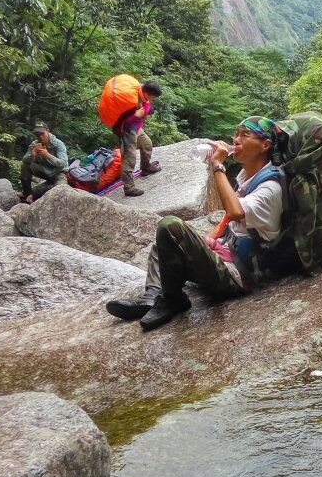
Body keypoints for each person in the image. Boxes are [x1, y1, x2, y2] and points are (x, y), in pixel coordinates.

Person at [105, 116, 284, 330]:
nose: (236, 140)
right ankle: (151, 298)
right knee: (164, 243)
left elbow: (235, 211)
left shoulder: (271, 187)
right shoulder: (248, 175)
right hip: (226, 253)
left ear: (265, 145)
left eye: (245, 135)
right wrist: (208, 240)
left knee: (170, 225)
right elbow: (228, 220)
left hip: (238, 274)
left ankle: (173, 300)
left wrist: (217, 165)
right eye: (236, 134)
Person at [114, 80, 163, 197]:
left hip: (137, 128)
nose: (153, 99)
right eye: (153, 97)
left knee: (147, 144)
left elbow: (147, 107)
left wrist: (147, 111)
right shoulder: (131, 101)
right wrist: (135, 116)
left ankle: (146, 168)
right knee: (129, 158)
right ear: (147, 93)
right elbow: (123, 122)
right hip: (127, 131)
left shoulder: (143, 95)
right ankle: (129, 188)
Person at [19, 121, 69, 203]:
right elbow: (25, 160)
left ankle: (34, 193)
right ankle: (26, 194)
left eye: (42, 133)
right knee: (25, 166)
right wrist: (32, 155)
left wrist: (47, 155)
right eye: (37, 134)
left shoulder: (58, 144)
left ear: (48, 131)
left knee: (61, 189)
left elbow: (63, 163)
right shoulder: (34, 144)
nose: (40, 136)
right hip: (44, 170)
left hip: (58, 172)